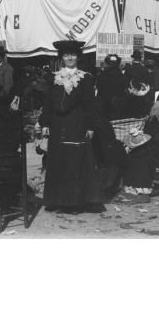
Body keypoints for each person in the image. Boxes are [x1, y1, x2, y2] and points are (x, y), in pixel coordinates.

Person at [38, 40, 102, 213]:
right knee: (58, 161)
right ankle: (56, 200)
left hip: (78, 124)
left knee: (76, 162)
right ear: (61, 58)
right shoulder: (53, 77)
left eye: (73, 55)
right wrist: (45, 123)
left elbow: (90, 104)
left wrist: (90, 126)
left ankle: (75, 203)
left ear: (78, 57)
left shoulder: (85, 77)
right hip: (58, 125)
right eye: (66, 55)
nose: (70, 58)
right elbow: (48, 102)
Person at [96, 54, 126, 120]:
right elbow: (123, 87)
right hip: (116, 104)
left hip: (105, 104)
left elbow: (98, 87)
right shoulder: (121, 75)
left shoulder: (102, 74)